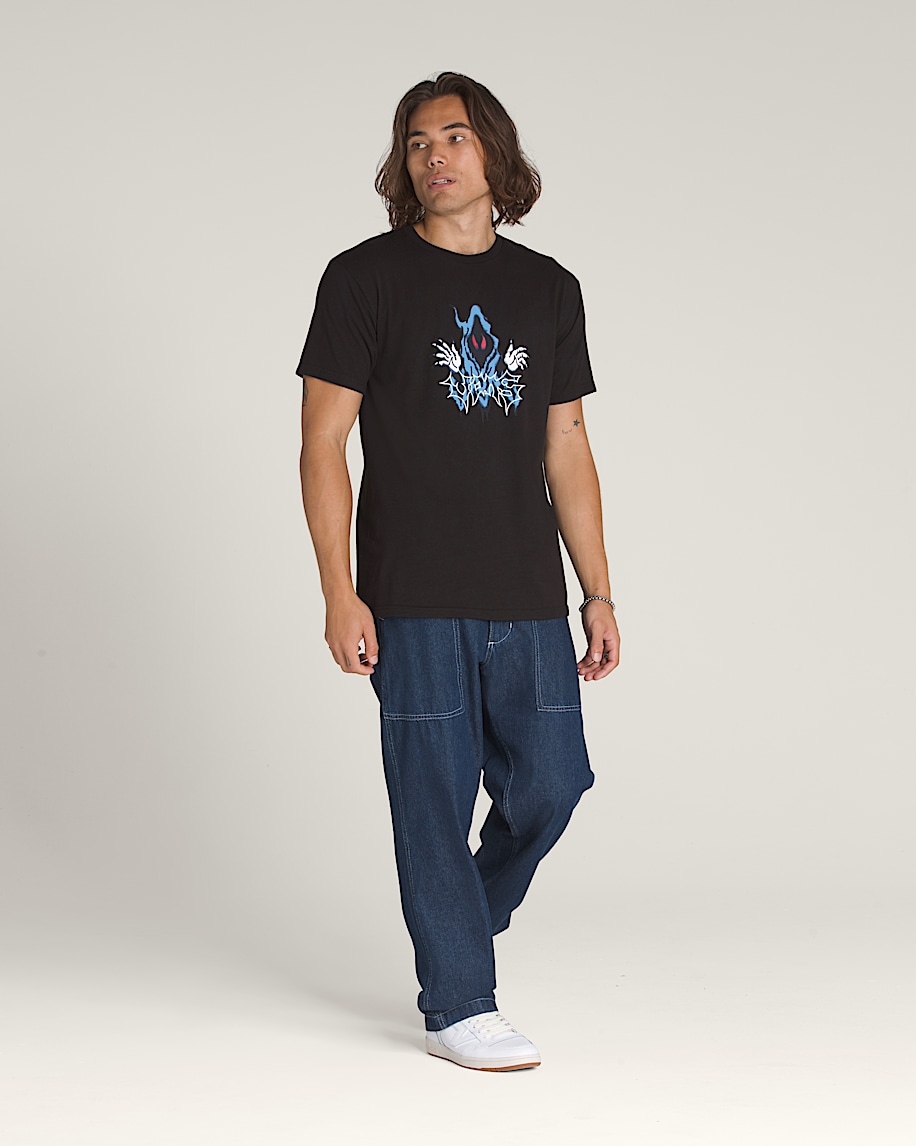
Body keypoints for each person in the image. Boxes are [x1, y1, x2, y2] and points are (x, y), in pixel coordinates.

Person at [294, 71, 620, 1072]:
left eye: (454, 137)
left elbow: (567, 443)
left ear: (495, 155)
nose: (433, 155)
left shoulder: (549, 289)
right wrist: (338, 589)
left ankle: (457, 923)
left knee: (555, 782)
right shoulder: (363, 278)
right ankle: (457, 1003)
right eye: (417, 141)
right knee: (430, 800)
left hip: (525, 593)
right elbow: (322, 442)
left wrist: (598, 591)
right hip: (412, 594)